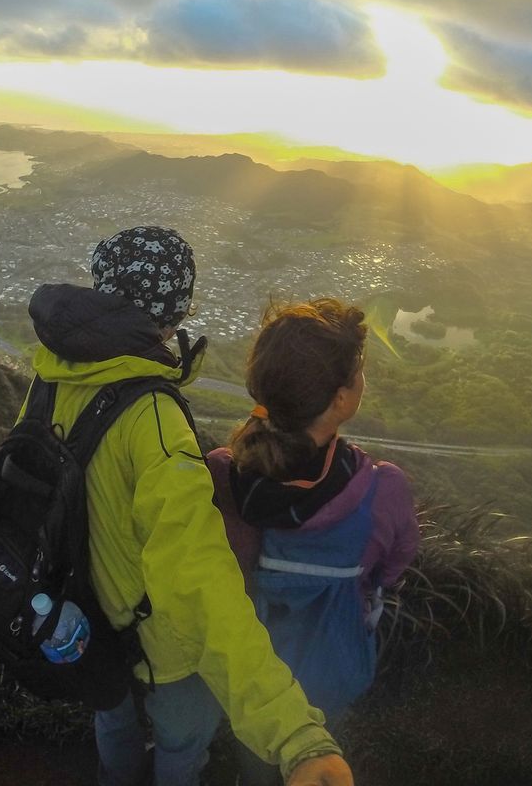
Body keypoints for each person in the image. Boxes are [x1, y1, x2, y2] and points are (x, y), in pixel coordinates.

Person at [19, 226, 353, 786]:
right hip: (160, 647)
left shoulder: (51, 376)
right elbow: (199, 577)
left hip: (82, 610)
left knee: (114, 718)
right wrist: (295, 736)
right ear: (173, 314)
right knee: (181, 742)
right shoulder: (152, 416)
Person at [205, 299, 420, 786]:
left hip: (247, 658)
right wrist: (375, 586)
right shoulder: (382, 489)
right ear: (342, 399)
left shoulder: (221, 471)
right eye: (360, 371)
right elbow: (395, 561)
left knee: (256, 745)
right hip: (330, 662)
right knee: (319, 736)